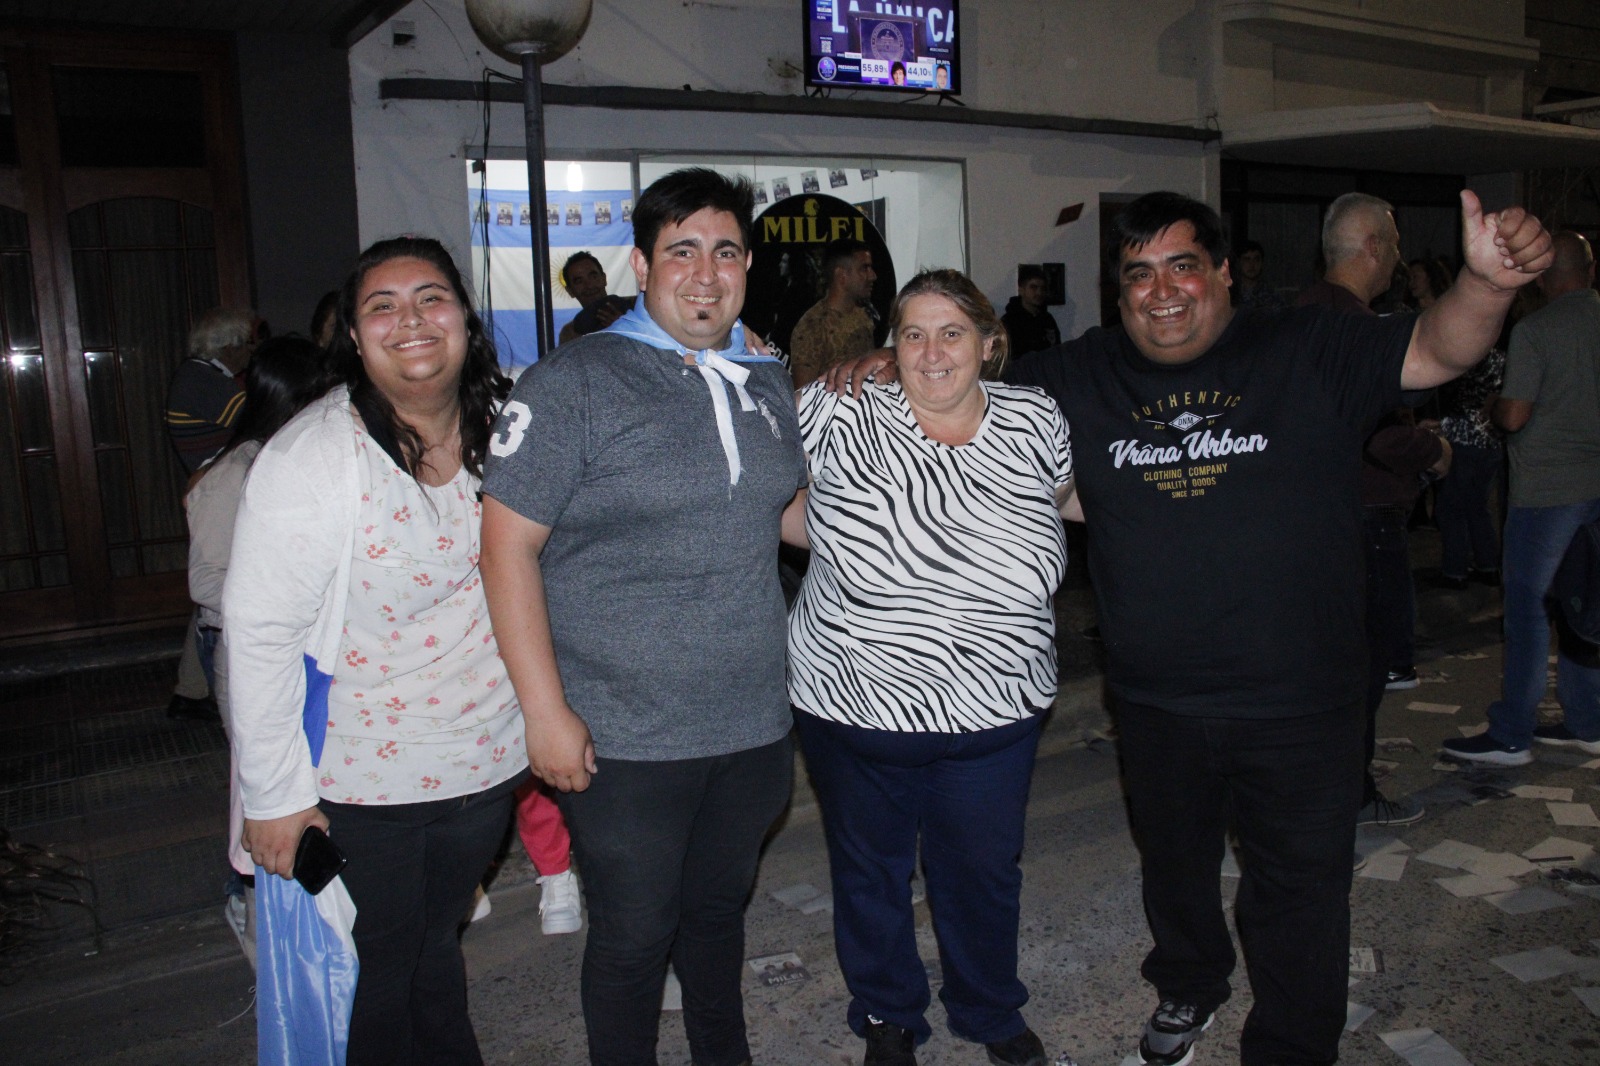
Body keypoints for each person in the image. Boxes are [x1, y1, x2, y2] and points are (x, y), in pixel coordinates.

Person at [826, 187, 1550, 1066]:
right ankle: (1190, 983)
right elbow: (956, 380)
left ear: (1224, 274)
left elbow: (1437, 348)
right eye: (1139, 274)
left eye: (1183, 267)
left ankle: (1290, 1047)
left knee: (1299, 889)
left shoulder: (1304, 345)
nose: (1162, 291)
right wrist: (887, 356)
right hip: (1156, 698)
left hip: (1303, 696)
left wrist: (1487, 284)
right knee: (1175, 871)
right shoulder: (1078, 374)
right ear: (1119, 290)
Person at [479, 167, 806, 1066]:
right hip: (623, 734)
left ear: (747, 266)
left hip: (750, 721)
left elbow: (782, 512)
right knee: (633, 934)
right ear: (641, 264)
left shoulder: (765, 377)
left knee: (717, 918)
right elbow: (505, 550)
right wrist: (545, 713)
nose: (705, 274)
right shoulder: (574, 382)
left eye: (725, 252)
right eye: (682, 251)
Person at [225, 237, 530, 1065]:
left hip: (486, 765)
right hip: (363, 783)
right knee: (381, 969)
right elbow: (258, 634)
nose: (411, 321)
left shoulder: (509, 426)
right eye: (382, 307)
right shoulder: (316, 456)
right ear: (355, 337)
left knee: (434, 944)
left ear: (465, 317)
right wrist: (275, 798)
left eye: (431, 298)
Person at [785, 270, 1072, 1066]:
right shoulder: (838, 409)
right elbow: (764, 498)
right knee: (870, 872)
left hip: (999, 706)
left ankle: (988, 1008)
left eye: (952, 333)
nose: (932, 351)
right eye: (912, 334)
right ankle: (888, 1012)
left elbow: (1060, 505)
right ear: (891, 344)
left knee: (983, 871)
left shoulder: (1035, 417)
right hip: (853, 700)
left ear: (990, 342)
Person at [1297, 192, 1443, 827]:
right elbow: (1375, 433)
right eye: (1396, 245)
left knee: (1320, 664)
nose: (1399, 260)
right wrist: (1433, 451)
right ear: (1374, 247)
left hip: (1307, 520)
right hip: (1363, 517)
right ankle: (1347, 796)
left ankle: (1310, 790)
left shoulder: (1294, 316)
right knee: (1366, 666)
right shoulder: (1358, 329)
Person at [185, 334, 329, 925]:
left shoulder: (291, 459)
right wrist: (281, 600)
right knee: (258, 777)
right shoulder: (234, 472)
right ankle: (246, 898)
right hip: (239, 645)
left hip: (289, 644)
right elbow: (206, 580)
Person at [1443, 231, 1600, 765]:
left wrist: (1494, 403)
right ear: (1591, 269)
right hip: (1596, 484)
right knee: (1584, 604)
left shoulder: (1536, 331)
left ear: (1541, 275)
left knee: (1528, 610)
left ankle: (1511, 733)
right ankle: (1587, 719)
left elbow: (1514, 416)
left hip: (1547, 489)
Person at [165, 306, 257, 723]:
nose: (250, 352)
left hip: (211, 488)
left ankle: (190, 689)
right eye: (246, 344)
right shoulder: (203, 380)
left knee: (211, 594)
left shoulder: (198, 375)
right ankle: (197, 690)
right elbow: (257, 416)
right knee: (217, 591)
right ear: (229, 346)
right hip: (219, 494)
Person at [789, 237, 878, 388]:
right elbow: (803, 394)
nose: (872, 276)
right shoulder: (812, 326)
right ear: (842, 276)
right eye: (864, 268)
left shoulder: (863, 317)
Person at [556, 250, 636, 345]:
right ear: (570, 291)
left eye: (593, 277)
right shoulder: (570, 334)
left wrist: (626, 328)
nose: (589, 285)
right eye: (579, 281)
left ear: (604, 279)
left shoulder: (638, 308)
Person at [1000, 264, 1061, 359]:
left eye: (1042, 288)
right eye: (1033, 287)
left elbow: (1056, 351)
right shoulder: (1009, 322)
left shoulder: (1048, 320)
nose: (1039, 293)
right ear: (1021, 290)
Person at [1230, 240, 1287, 311]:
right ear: (1239, 263)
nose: (1252, 264)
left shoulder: (1271, 295)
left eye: (1256, 260)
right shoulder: (1231, 294)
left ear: (1261, 263)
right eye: (1247, 259)